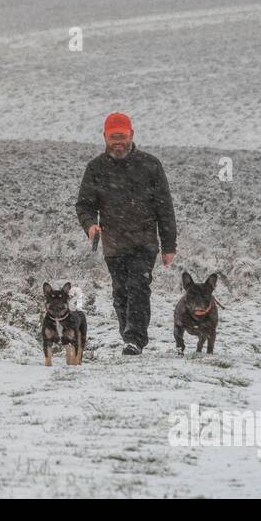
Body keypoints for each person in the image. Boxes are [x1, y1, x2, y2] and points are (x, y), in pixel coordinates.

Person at [76, 112, 177, 355]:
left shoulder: (150, 165)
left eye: (122, 136)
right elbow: (84, 205)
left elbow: (165, 207)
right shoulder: (96, 168)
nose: (118, 142)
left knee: (139, 287)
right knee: (120, 291)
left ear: (131, 135)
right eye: (113, 137)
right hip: (113, 244)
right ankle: (127, 334)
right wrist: (90, 226)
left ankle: (135, 339)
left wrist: (169, 246)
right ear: (105, 137)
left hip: (144, 243)